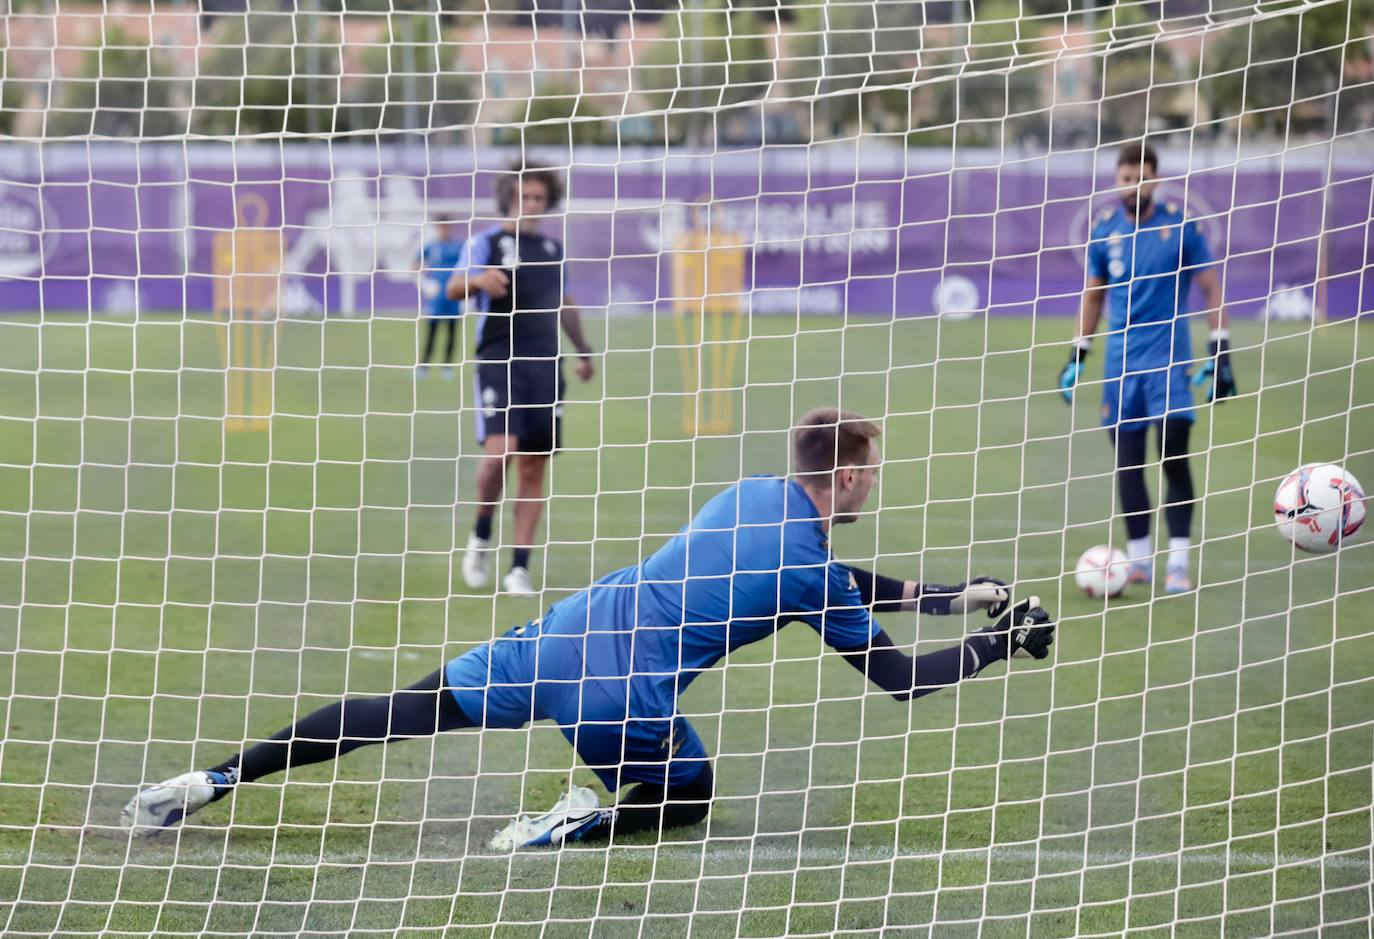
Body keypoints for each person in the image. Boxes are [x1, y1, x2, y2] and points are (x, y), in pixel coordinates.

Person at [121, 409, 1056, 850]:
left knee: (396, 710)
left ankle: (211, 779)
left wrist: (951, 594)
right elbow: (899, 681)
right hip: (620, 697)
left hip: (568, 630)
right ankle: (579, 817)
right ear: (848, 479)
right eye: (873, 472)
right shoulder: (808, 565)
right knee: (687, 796)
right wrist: (999, 639)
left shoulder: (753, 495)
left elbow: (829, 580)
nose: (874, 482)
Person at [1058, 142, 1235, 594]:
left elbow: (1211, 287)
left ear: (1155, 180)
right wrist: (1079, 351)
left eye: (1142, 177)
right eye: (1126, 178)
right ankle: (1139, 561)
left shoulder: (1180, 226)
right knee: (1128, 463)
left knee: (1174, 455)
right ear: (1116, 181)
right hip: (1121, 367)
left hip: (1170, 363)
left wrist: (1220, 347)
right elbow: (1094, 295)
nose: (1134, 185)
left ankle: (1178, 561)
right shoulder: (1105, 230)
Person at [446, 162, 595, 596]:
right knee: (500, 453)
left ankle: (519, 568)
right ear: (509, 197)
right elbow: (452, 287)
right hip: (497, 356)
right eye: (523, 196)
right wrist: (477, 280)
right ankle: (480, 535)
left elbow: (564, 304)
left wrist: (583, 351)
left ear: (548, 202)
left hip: (545, 363)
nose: (530, 204)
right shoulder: (485, 242)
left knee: (533, 467)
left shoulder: (553, 249)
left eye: (538, 198)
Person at [416, 215, 463, 379]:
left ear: (450, 228)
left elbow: (468, 265)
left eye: (446, 226)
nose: (444, 230)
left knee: (451, 333)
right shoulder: (431, 246)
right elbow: (415, 264)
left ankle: (447, 367)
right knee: (431, 334)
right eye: (441, 227)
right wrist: (424, 283)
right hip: (436, 299)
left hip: (454, 297)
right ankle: (423, 367)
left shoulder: (459, 246)